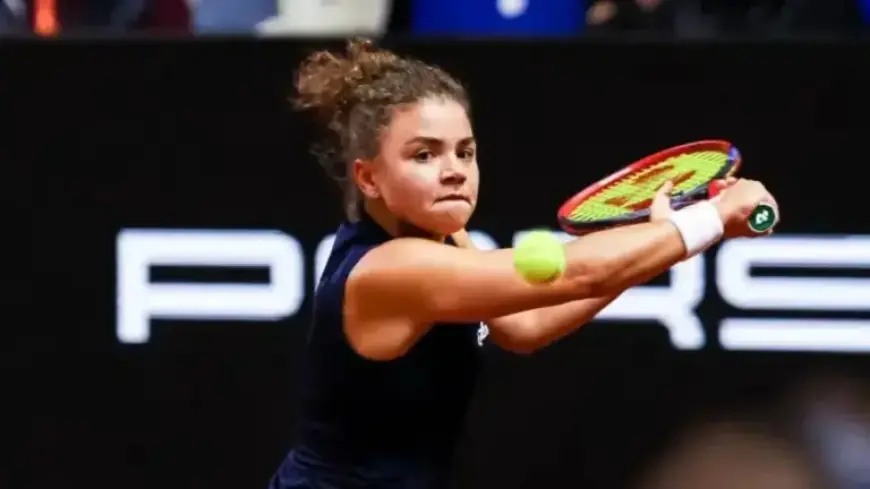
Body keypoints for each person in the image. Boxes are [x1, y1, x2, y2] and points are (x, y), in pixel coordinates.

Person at [268, 38, 779, 489]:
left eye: (465, 153)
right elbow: (580, 270)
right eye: (424, 155)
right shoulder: (392, 269)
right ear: (369, 178)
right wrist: (708, 219)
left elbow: (523, 326)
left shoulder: (443, 234)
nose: (453, 172)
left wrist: (664, 238)